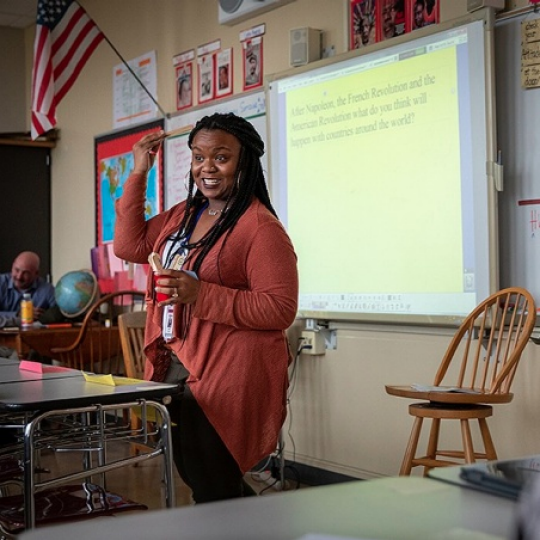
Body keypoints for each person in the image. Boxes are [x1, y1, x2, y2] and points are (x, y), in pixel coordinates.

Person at [114, 112, 298, 504]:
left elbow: (280, 309)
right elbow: (129, 246)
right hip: (180, 359)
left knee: (212, 482)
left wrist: (202, 294)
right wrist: (138, 172)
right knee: (203, 478)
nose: (206, 168)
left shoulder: (260, 228)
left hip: (230, 368)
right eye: (198, 157)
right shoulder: (185, 213)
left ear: (244, 161)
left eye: (220, 157)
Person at [0, 251, 56, 327]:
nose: (19, 277)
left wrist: (44, 317)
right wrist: (18, 314)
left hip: (34, 336)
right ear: (12, 266)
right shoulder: (1, 282)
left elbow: (60, 314)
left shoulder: (47, 290)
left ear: (36, 273)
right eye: (16, 270)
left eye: (26, 273)